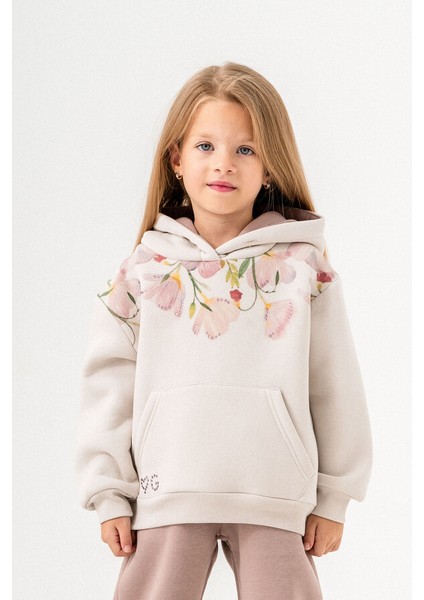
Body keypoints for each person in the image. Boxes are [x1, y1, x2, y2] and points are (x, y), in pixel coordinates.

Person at [75, 61, 373, 600]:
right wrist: (109, 491)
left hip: (274, 493)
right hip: (167, 491)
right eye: (206, 146)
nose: (224, 164)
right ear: (177, 159)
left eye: (246, 149)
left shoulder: (304, 269)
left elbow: (335, 385)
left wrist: (335, 497)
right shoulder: (142, 271)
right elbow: (108, 386)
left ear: (270, 166)